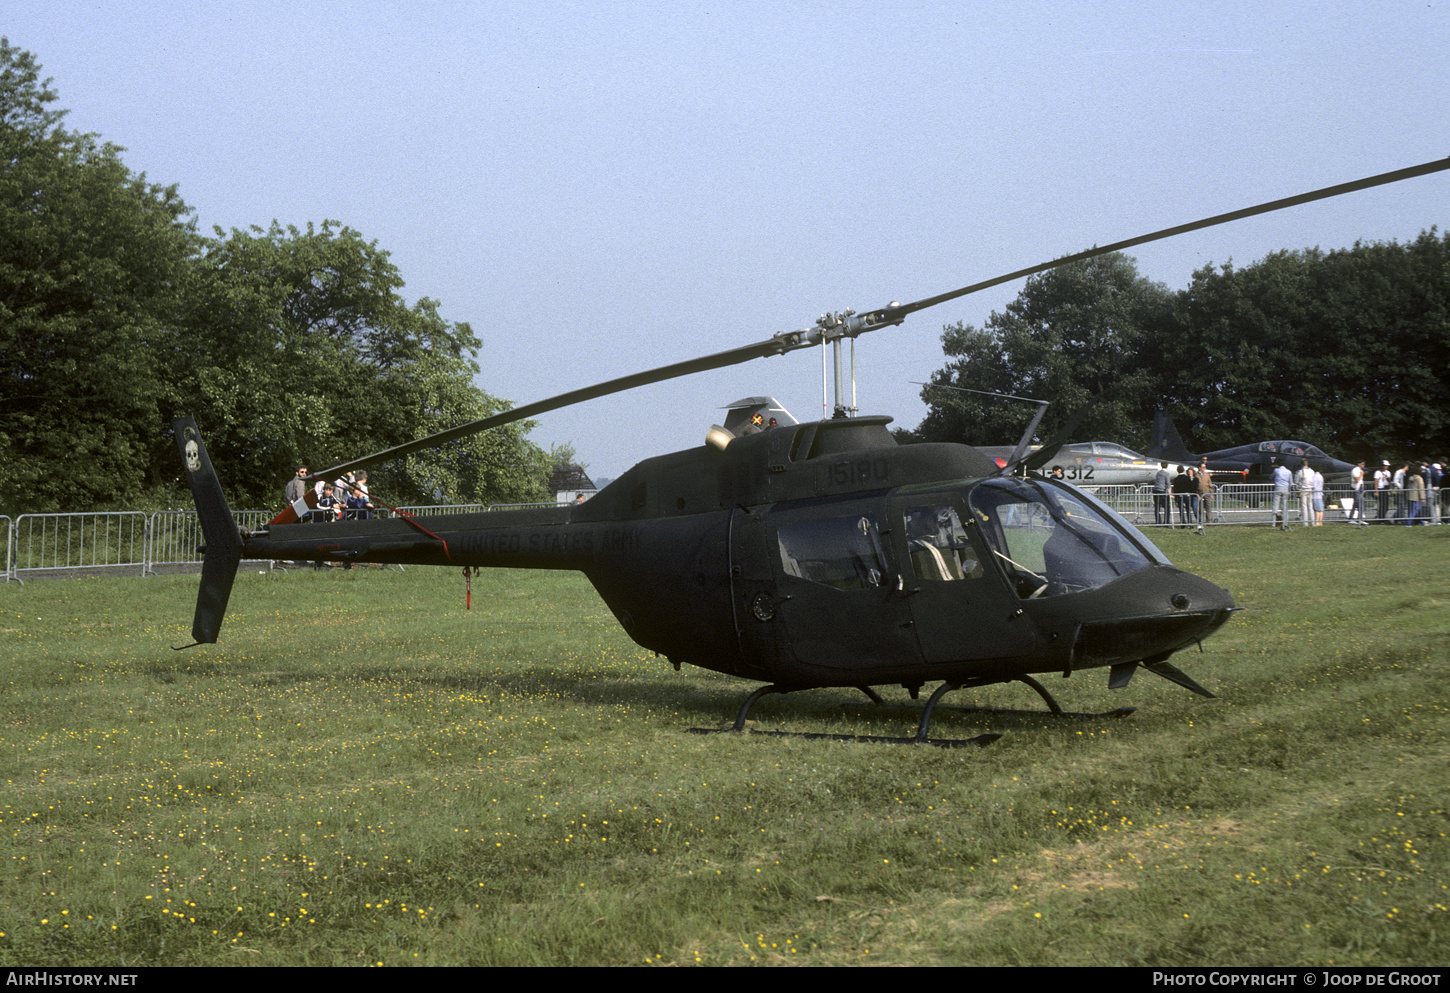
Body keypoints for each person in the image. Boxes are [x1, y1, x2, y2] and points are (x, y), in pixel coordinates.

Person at [1271, 460, 1292, 530]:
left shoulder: (1276, 470)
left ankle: (1273, 523)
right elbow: (1291, 483)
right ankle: (1285, 522)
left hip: (1278, 488)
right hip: (1286, 489)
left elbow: (1271, 477)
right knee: (1285, 507)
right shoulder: (1289, 472)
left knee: (1275, 506)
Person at [1195, 459, 1213, 533]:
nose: (1204, 469)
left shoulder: (1206, 475)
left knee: (1208, 507)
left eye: (1204, 467)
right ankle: (1200, 522)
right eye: (1203, 467)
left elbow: (1210, 484)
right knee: (1200, 508)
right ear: (1199, 468)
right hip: (1199, 493)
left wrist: (1211, 493)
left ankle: (1208, 521)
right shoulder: (1196, 475)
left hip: (1207, 493)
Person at [1296, 460, 1315, 527]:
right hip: (1310, 489)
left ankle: (1305, 522)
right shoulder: (1312, 471)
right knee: (1310, 506)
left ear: (1301, 465)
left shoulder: (1301, 472)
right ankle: (1312, 522)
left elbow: (1297, 481)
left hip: (1304, 489)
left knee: (1304, 506)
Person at [1348, 460, 1367, 527]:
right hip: (1356, 488)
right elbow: (1357, 479)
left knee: (1360, 503)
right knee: (1357, 503)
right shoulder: (1355, 470)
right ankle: (1352, 518)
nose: (1363, 465)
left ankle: (1360, 518)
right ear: (1358, 464)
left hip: (1360, 487)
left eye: (1364, 464)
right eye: (1362, 464)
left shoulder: (1360, 470)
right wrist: (1361, 474)